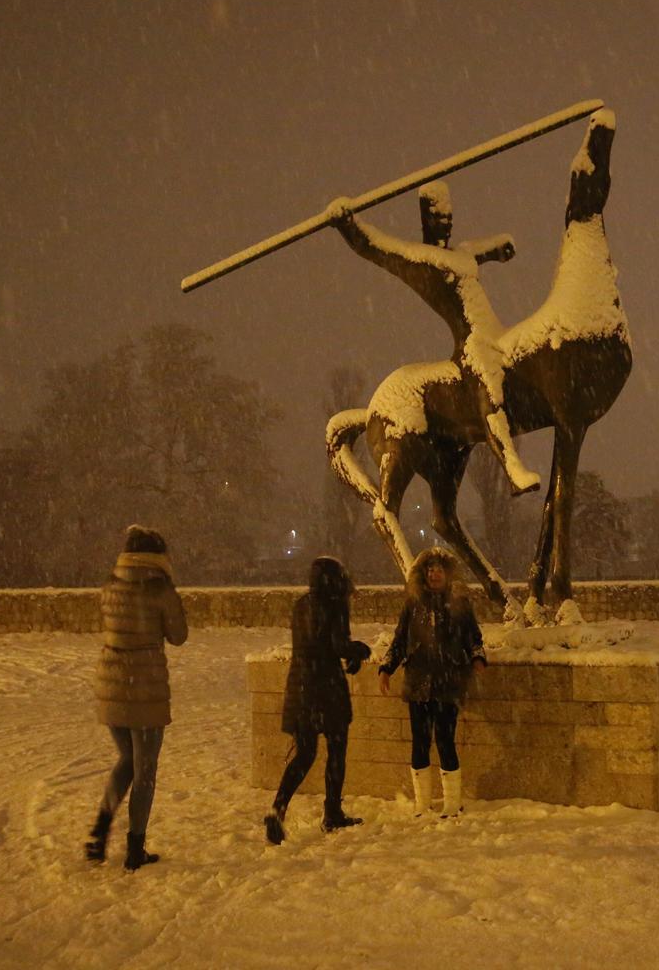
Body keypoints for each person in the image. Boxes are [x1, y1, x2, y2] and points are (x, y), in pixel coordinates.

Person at [326, 184, 541, 496]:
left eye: (447, 216)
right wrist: (349, 225)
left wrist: (501, 248)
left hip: (497, 333)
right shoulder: (421, 261)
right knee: (488, 388)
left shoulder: (461, 254)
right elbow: (375, 247)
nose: (444, 222)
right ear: (426, 222)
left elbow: (487, 249)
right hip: (472, 344)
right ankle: (512, 467)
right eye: (437, 217)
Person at [85, 524, 188, 871]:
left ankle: (100, 831)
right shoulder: (160, 588)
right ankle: (135, 849)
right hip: (145, 689)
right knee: (144, 770)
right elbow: (179, 635)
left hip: (112, 685)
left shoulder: (110, 585)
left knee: (127, 760)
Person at [263, 556, 373, 845]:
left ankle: (278, 808)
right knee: (336, 751)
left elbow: (318, 643)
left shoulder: (302, 604)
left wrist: (346, 653)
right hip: (327, 690)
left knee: (305, 754)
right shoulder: (335, 603)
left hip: (301, 687)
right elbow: (338, 645)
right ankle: (332, 812)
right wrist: (360, 650)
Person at [378, 546, 487, 818]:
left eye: (439, 570)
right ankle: (422, 803)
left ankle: (452, 803)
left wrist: (478, 658)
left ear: (447, 574)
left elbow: (474, 637)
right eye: (430, 570)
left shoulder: (459, 604)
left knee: (445, 740)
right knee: (420, 742)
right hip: (418, 684)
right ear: (423, 574)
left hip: (449, 684)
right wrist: (386, 668)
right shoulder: (413, 604)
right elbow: (400, 640)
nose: (434, 574)